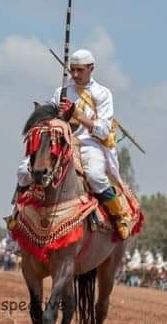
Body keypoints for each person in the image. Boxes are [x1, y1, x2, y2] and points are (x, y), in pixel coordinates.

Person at [13, 49, 130, 240]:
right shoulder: (61, 91)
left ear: (91, 68)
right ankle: (16, 214)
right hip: (62, 140)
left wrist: (78, 115)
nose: (75, 74)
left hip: (90, 143)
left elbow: (103, 130)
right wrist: (56, 115)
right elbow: (50, 120)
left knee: (95, 176)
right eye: (72, 70)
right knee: (25, 170)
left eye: (80, 70)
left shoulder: (102, 94)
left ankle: (118, 217)